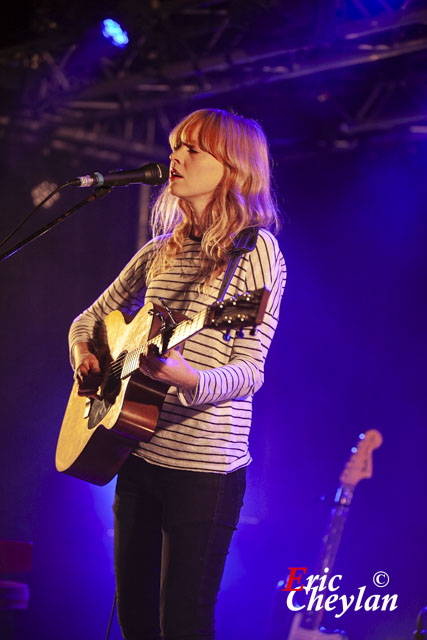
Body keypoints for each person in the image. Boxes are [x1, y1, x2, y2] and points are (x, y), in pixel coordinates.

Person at [69, 108, 287, 640]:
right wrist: (86, 357)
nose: (176, 157)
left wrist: (189, 379)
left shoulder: (254, 250)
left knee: (183, 625)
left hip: (206, 470)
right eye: (175, 146)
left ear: (233, 168)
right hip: (137, 453)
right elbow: (88, 319)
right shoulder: (159, 250)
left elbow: (250, 371)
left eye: (193, 149)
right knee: (138, 623)